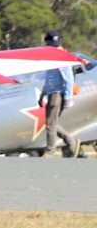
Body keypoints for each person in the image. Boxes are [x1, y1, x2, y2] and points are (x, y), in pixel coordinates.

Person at [39, 30, 81, 158]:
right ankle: (70, 141)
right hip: (51, 92)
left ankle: (50, 150)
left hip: (57, 94)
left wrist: (68, 97)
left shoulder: (61, 56)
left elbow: (68, 79)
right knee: (52, 122)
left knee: (51, 123)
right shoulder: (52, 57)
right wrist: (43, 94)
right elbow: (49, 79)